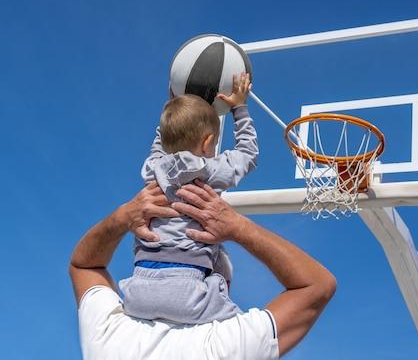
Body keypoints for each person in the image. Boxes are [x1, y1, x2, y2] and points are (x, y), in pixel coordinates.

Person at [70, 181, 336, 359]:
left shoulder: (112, 334)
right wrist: (238, 228)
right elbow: (317, 285)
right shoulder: (224, 345)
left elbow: (84, 264)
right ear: (222, 285)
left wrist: (122, 218)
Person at [120, 73, 257, 324]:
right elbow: (248, 153)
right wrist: (240, 108)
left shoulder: (153, 168)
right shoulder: (210, 170)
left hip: (137, 291)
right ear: (208, 143)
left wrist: (170, 112)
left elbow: (158, 145)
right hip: (188, 292)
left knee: (220, 254)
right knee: (242, 323)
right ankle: (218, 292)